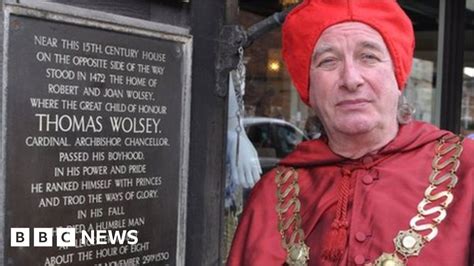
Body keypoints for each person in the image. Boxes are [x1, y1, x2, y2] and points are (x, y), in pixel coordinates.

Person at [227, 0, 474, 265]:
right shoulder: (272, 195)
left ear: (397, 74)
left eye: (368, 56)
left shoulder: (466, 171)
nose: (351, 79)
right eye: (328, 61)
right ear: (309, 88)